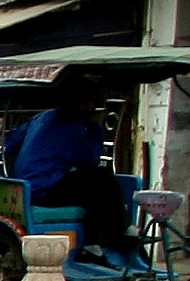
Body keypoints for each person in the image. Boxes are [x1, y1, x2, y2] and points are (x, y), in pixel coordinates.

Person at [10, 100, 141, 266]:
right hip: (44, 189)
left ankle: (117, 233)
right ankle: (96, 243)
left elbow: (11, 143)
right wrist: (95, 128)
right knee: (101, 180)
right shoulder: (72, 128)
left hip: (28, 186)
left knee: (94, 182)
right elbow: (89, 161)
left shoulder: (41, 117)